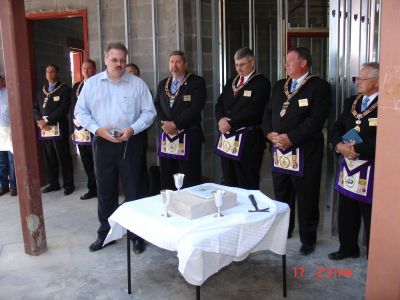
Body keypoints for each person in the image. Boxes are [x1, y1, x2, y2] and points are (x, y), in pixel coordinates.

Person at [75, 42, 156, 253]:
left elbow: (149, 113)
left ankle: (136, 235)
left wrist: (133, 128)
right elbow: (80, 112)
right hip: (103, 143)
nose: (119, 64)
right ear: (106, 60)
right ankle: (106, 233)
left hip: (130, 142)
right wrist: (96, 129)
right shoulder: (91, 85)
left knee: (134, 191)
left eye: (122, 60)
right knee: (105, 190)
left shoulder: (137, 84)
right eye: (114, 60)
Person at [262, 47, 331, 255]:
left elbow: (315, 121)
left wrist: (291, 138)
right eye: (286, 61)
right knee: (282, 194)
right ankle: (285, 230)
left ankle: (308, 239)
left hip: (305, 151)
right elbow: (267, 113)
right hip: (280, 151)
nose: (286, 65)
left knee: (306, 196)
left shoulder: (319, 87)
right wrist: (269, 134)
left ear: (304, 63)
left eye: (290, 61)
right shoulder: (279, 86)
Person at [328, 62, 379, 260]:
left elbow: (383, 139)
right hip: (348, 164)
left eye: (362, 79)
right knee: (346, 209)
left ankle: (374, 254)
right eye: (356, 79)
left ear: (377, 81)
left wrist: (356, 149)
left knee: (370, 212)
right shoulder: (351, 101)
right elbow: (336, 127)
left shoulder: (385, 105)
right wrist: (338, 146)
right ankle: (347, 247)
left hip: (370, 166)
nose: (357, 82)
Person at [215, 47, 271, 189]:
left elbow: (254, 110)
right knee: (229, 181)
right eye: (236, 64)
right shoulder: (232, 82)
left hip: (248, 141)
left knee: (246, 183)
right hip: (228, 140)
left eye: (242, 64)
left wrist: (231, 122)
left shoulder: (261, 83)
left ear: (252, 63)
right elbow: (219, 103)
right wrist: (221, 119)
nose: (238, 68)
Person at [155, 50, 206, 190]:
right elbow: (157, 106)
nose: (174, 65)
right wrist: (164, 124)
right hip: (167, 137)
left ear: (185, 64)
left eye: (178, 62)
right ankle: (169, 205)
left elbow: (195, 108)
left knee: (189, 176)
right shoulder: (163, 83)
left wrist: (175, 124)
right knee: (167, 175)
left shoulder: (196, 82)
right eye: (172, 62)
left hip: (188, 136)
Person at [33, 64, 75, 196]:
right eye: (47, 72)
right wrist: (39, 120)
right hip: (45, 130)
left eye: (52, 72)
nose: (49, 74)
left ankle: (69, 184)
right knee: (49, 157)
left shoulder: (65, 89)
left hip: (59, 128)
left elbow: (63, 109)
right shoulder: (41, 90)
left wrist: (48, 120)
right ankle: (53, 183)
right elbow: (35, 108)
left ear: (58, 74)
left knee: (63, 156)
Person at [70, 60, 98, 200]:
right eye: (84, 68)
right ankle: (92, 188)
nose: (86, 71)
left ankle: (101, 188)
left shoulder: (99, 85)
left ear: (94, 70)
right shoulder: (77, 86)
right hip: (79, 131)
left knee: (97, 161)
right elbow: (71, 110)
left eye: (89, 68)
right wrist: (71, 129)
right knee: (86, 161)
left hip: (94, 130)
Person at [125, 63, 150, 198]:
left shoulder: (143, 90)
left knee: (139, 170)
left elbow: (148, 115)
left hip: (137, 137)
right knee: (128, 172)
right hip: (121, 138)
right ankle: (131, 198)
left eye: (133, 73)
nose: (130, 75)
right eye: (127, 72)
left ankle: (142, 197)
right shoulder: (119, 90)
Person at [0, 74, 17, 196]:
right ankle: (3, 186)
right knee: (1, 161)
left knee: (12, 160)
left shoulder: (9, 93)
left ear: (3, 81)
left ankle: (14, 186)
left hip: (10, 130)